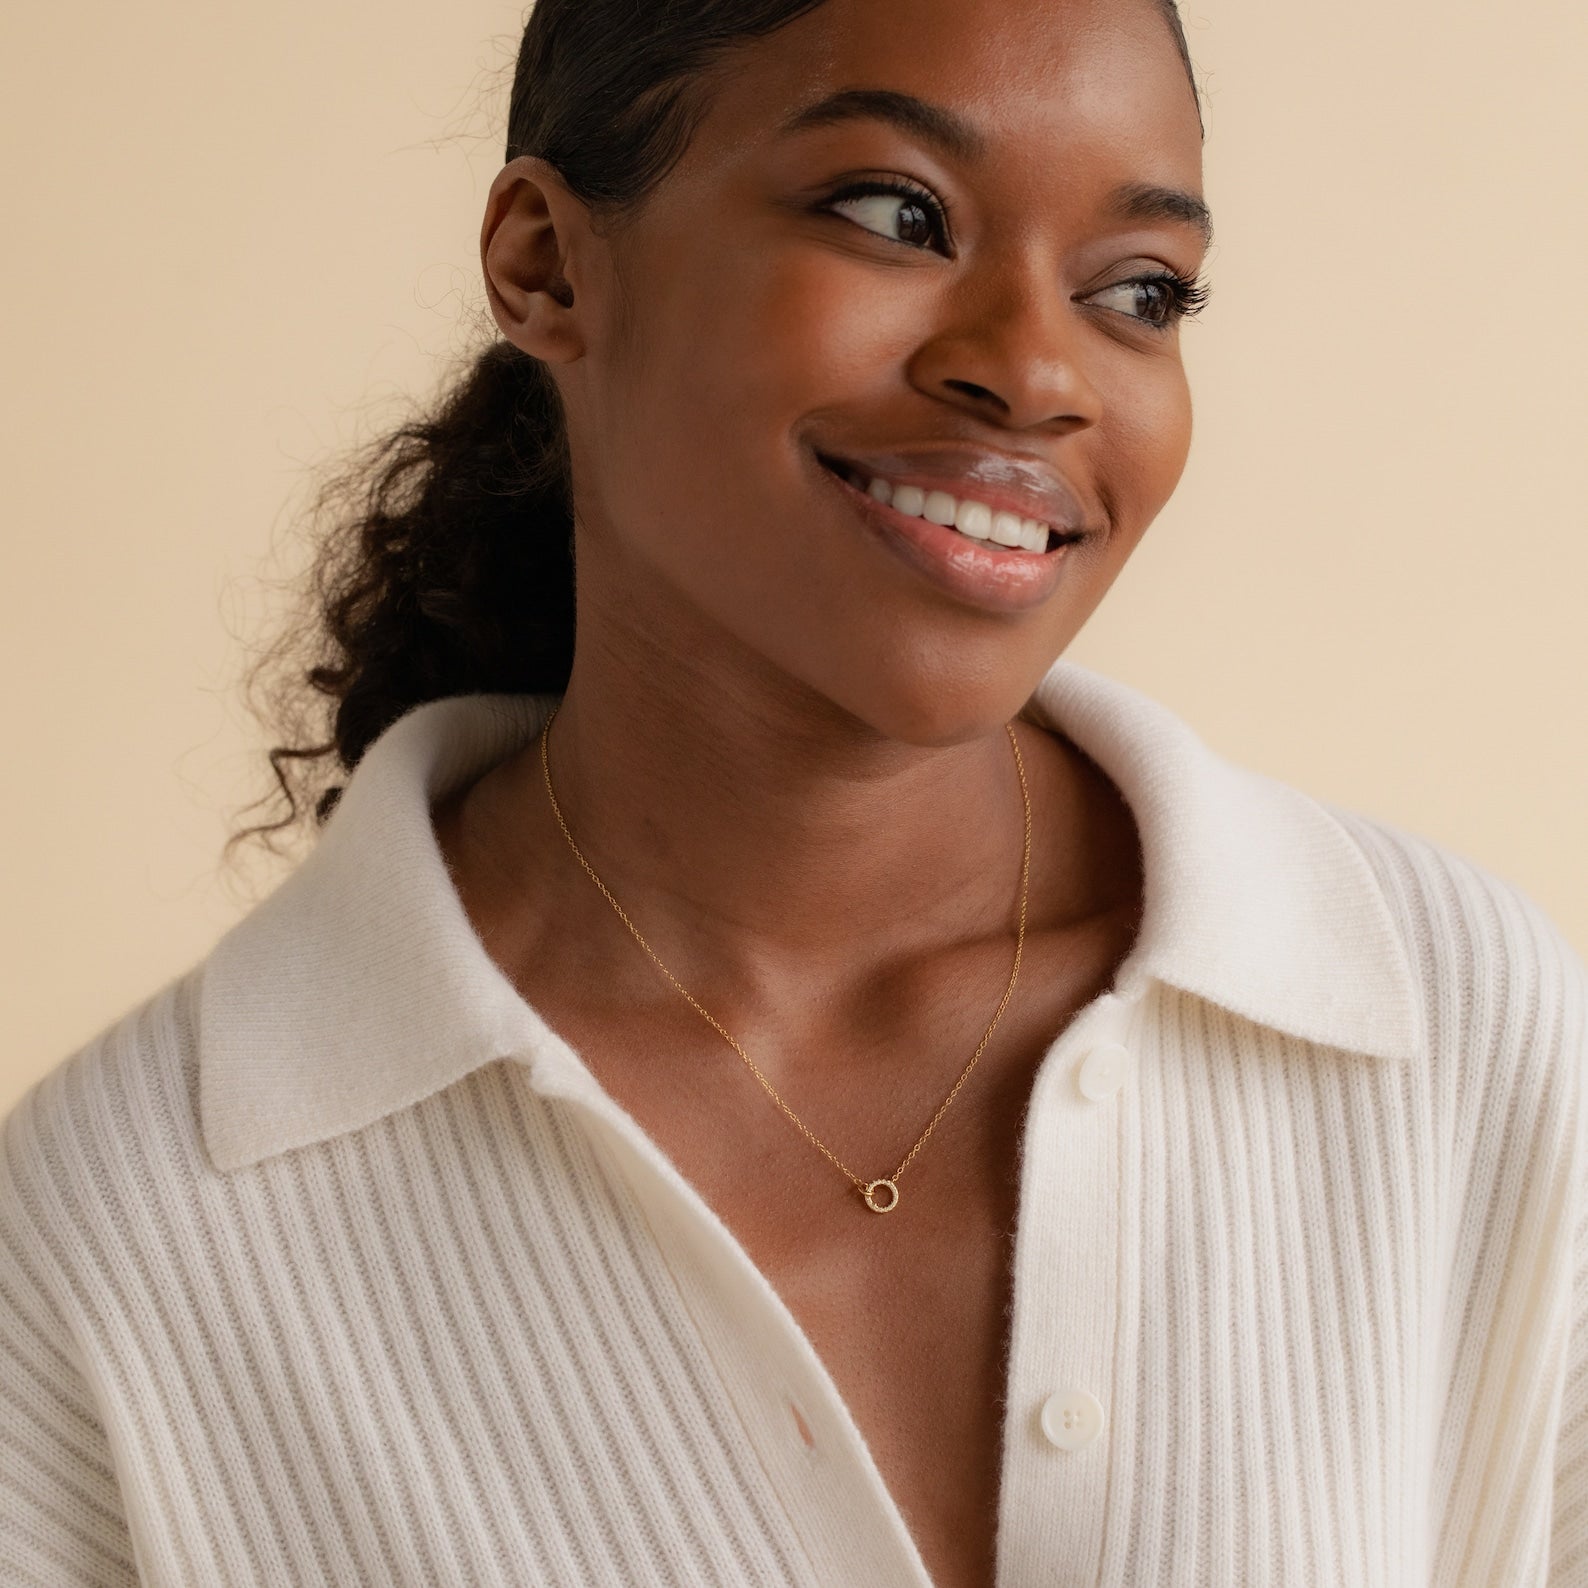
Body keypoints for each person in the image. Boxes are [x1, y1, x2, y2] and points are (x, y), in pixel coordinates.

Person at [2, 0, 1584, 1583]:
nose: (1037, 372)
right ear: (548, 265)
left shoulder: (1448, 1030)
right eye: (896, 214)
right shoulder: (117, 1243)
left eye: (1139, 292)